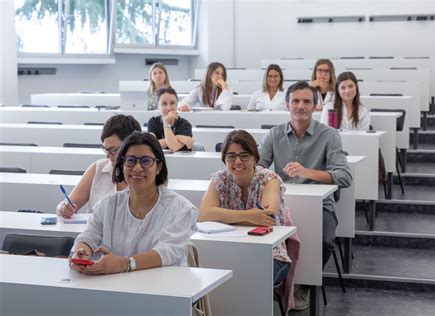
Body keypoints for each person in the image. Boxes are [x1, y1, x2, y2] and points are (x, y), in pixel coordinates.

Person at [258, 81, 352, 310]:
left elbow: (344, 176)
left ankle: (305, 284)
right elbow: (258, 167)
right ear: (287, 104)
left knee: (325, 241)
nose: (301, 106)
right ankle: (268, 283)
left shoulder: (329, 135)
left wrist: (307, 171)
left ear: (315, 105)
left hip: (320, 204)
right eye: (296, 101)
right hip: (281, 203)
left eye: (307, 101)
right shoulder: (274, 134)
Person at [69, 131, 199, 274]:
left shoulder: (180, 209)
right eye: (130, 161)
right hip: (116, 287)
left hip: (164, 289)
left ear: (159, 167)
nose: (137, 168)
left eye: (146, 161)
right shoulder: (108, 205)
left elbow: (167, 251)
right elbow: (89, 235)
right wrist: (81, 251)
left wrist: (124, 263)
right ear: (122, 165)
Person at [199, 129, 291, 286]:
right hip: (229, 251)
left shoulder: (269, 179)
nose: (237, 162)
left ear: (255, 158)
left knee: (246, 281)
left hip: (270, 254)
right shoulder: (219, 179)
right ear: (224, 159)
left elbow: (267, 217)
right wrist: (249, 216)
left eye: (244, 156)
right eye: (231, 156)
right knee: (208, 277)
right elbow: (204, 214)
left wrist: (223, 217)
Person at [56, 115, 142, 218]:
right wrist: (63, 208)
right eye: (106, 149)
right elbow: (67, 203)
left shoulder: (147, 175)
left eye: (114, 150)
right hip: (94, 233)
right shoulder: (98, 168)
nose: (108, 156)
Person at [147, 87, 194, 152]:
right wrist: (178, 137)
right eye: (164, 104)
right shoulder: (153, 122)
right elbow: (151, 145)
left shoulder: (185, 124)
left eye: (172, 103)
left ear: (177, 104)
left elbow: (174, 147)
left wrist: (166, 123)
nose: (168, 108)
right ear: (158, 105)